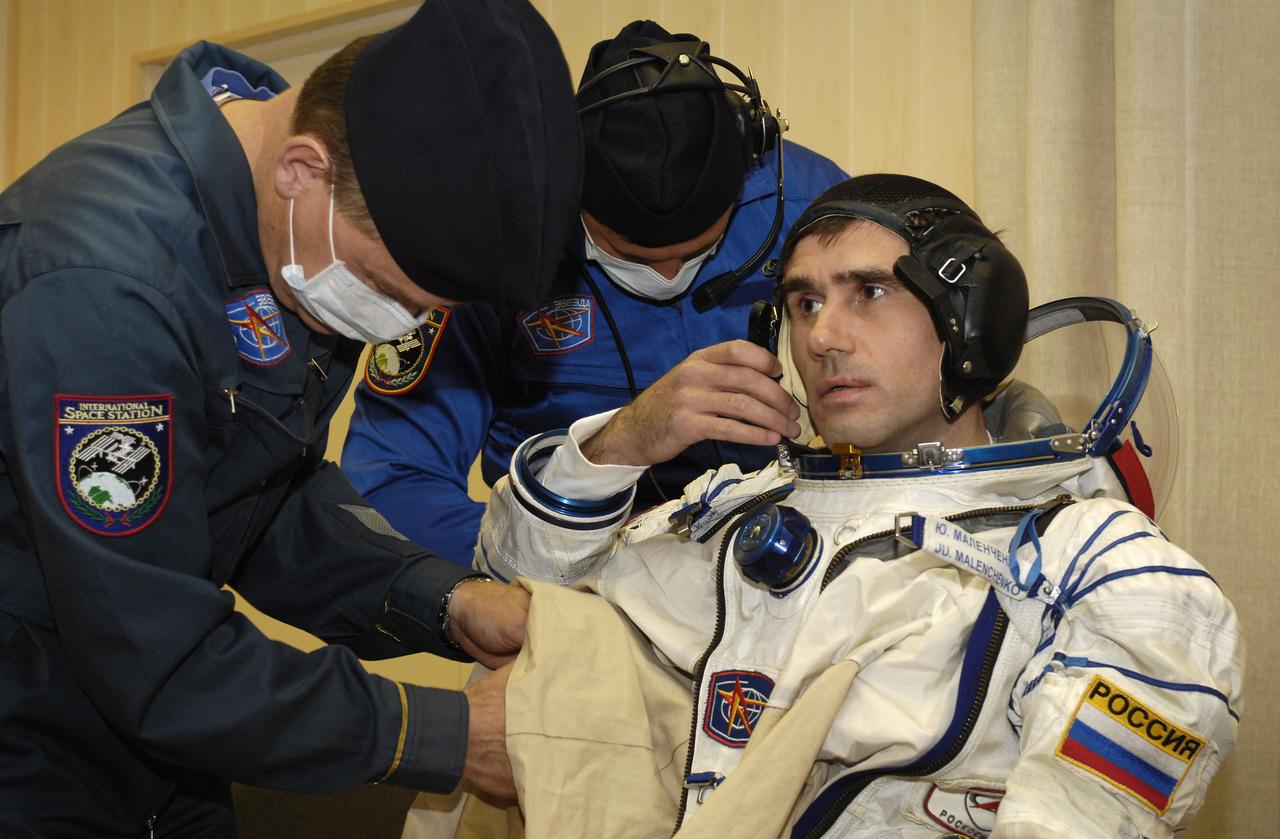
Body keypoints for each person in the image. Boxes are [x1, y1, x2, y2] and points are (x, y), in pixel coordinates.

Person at [464, 175, 1243, 837]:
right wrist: (618, 447)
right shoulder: (736, 509)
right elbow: (515, 622)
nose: (824, 337)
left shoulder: (1103, 569)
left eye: (869, 293)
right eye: (803, 303)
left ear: (971, 318)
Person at [0, 1, 582, 835]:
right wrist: (443, 734)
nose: (390, 324)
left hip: (171, 760)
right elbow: (154, 653)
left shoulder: (294, 238)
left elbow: (261, 497)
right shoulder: (105, 287)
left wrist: (443, 597)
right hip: (35, 753)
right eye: (386, 293)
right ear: (301, 169)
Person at [341, 20, 848, 567]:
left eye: (700, 251)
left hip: (787, 568)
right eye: (631, 255)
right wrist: (538, 570)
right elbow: (390, 478)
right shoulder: (488, 245)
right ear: (565, 191)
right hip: (577, 583)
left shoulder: (815, 212)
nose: (669, 274)